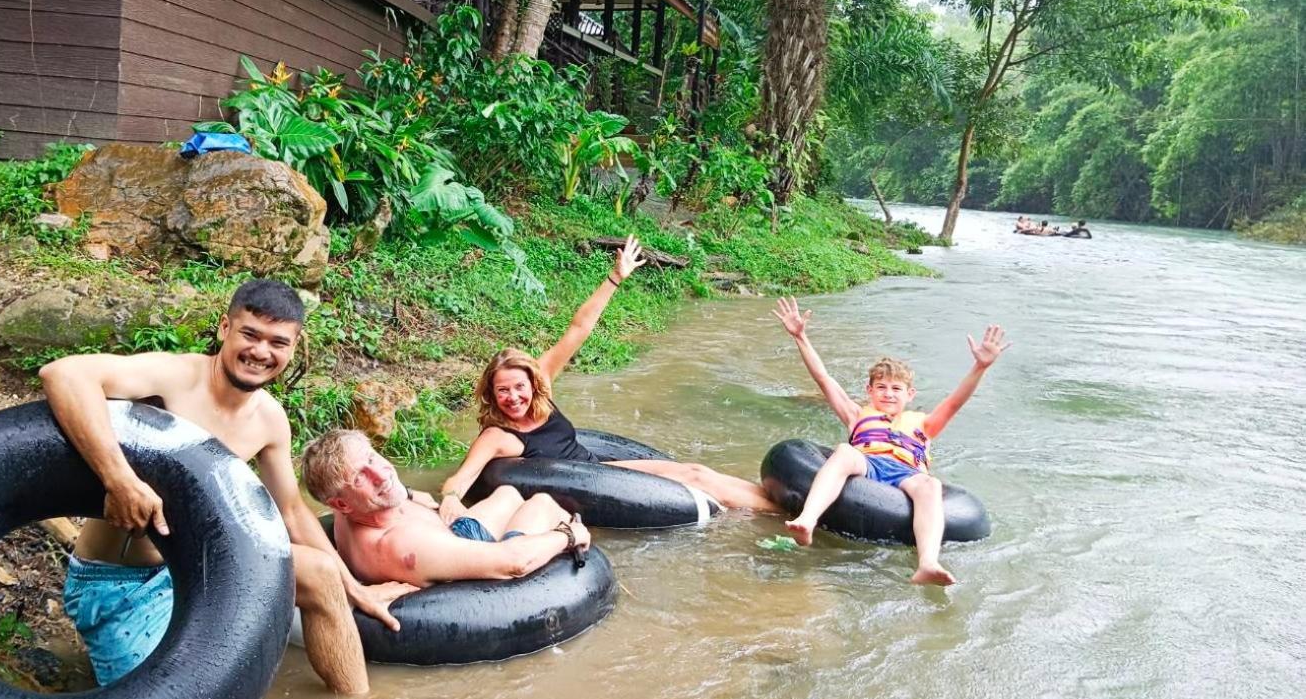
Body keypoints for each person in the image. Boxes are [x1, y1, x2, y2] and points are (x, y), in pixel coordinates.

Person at [42, 278, 413, 695]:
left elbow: (291, 511)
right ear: (224, 328)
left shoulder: (269, 421)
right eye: (250, 334)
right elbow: (64, 373)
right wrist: (119, 479)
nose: (260, 352)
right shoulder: (175, 377)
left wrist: (355, 589)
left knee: (320, 573)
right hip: (122, 581)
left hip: (204, 565)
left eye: (277, 342)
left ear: (293, 348)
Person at [436, 235, 780, 516]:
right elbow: (461, 478)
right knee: (691, 476)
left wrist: (615, 277)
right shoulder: (498, 436)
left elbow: (579, 327)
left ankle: (778, 499)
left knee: (697, 472)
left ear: (531, 383)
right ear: (492, 395)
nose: (513, 398)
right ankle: (782, 514)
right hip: (594, 484)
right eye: (503, 391)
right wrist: (450, 499)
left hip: (598, 465)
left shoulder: (542, 386)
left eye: (519, 387)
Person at [771, 297, 1010, 586]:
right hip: (867, 464)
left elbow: (956, 401)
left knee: (930, 485)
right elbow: (824, 379)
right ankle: (807, 521)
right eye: (881, 388)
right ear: (869, 390)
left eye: (896, 388)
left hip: (905, 474)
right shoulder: (857, 414)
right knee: (845, 451)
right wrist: (800, 337)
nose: (888, 394)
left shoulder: (924, 423)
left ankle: (928, 563)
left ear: (910, 394)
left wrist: (980, 367)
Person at [304, 428, 591, 587]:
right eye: (360, 477)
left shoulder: (350, 509)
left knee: (508, 493)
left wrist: (417, 495)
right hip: (455, 559)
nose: (381, 474)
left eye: (372, 458)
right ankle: (571, 538)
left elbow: (393, 489)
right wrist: (568, 535)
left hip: (450, 537)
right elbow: (513, 563)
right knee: (542, 504)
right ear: (340, 503)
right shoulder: (401, 544)